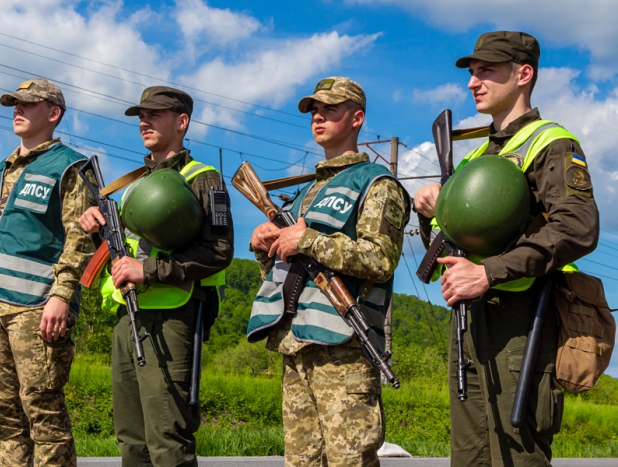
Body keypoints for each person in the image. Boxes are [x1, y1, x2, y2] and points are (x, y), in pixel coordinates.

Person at [414, 31, 599, 466]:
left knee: (518, 457)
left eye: (487, 71)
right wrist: (430, 213)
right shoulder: (476, 157)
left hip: (522, 321)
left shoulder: (551, 143)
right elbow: (451, 247)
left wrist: (488, 272)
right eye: (472, 73)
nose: (472, 82)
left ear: (523, 74)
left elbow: (578, 226)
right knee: (470, 457)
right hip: (470, 323)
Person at [247, 76, 410, 466]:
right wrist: (264, 248)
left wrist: (306, 240)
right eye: (314, 111)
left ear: (357, 118)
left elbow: (380, 259)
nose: (318, 117)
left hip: (346, 350)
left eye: (330, 109)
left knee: (348, 462)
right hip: (298, 346)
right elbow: (291, 275)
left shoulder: (377, 184)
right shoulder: (307, 193)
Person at [78, 86, 233, 467]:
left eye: (155, 114)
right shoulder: (135, 185)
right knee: (131, 440)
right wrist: (98, 228)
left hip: (173, 317)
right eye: (141, 115)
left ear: (182, 122)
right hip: (127, 318)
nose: (144, 121)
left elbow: (219, 251)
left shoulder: (202, 179)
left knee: (168, 439)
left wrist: (146, 271)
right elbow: (133, 247)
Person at [0, 78, 95, 467]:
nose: (17, 110)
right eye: (14, 104)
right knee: (2, 417)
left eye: (27, 104)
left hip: (37, 310)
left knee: (43, 412)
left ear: (53, 113)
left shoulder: (71, 167)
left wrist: (62, 295)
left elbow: (81, 238)